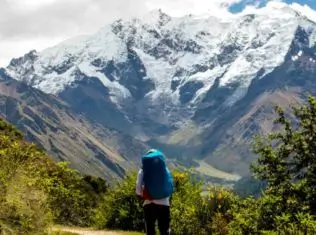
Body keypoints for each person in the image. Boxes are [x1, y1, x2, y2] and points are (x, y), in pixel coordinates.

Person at [136, 149, 174, 235]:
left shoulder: (142, 170)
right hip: (164, 204)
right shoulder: (165, 170)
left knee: (150, 230)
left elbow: (138, 190)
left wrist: (144, 195)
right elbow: (170, 186)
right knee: (165, 230)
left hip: (149, 204)